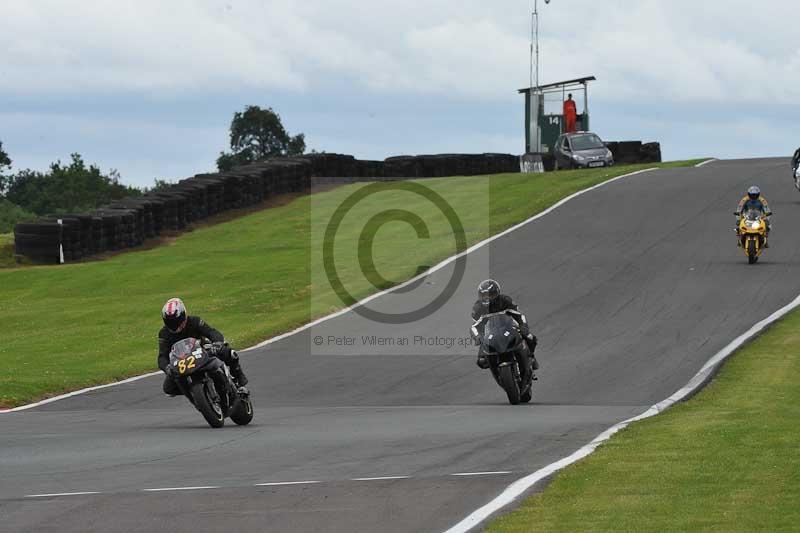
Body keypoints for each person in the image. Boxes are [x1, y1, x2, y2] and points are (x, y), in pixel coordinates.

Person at [158, 297, 248, 397]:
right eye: (170, 322)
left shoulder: (194, 321)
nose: (174, 325)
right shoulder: (164, 334)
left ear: (184, 316)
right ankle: (193, 392)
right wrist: (167, 367)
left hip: (203, 352)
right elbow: (162, 356)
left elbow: (211, 332)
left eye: (177, 321)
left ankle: (239, 379)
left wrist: (217, 343)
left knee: (229, 353)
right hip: (182, 362)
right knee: (168, 389)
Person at [470, 279, 539, 374]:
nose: (487, 298)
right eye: (484, 295)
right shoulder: (478, 307)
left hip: (509, 327)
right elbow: (474, 326)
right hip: (490, 333)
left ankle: (531, 357)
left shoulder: (505, 300)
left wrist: (523, 326)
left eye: (489, 295)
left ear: (496, 293)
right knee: (481, 361)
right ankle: (496, 369)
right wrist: (477, 337)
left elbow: (519, 315)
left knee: (530, 338)